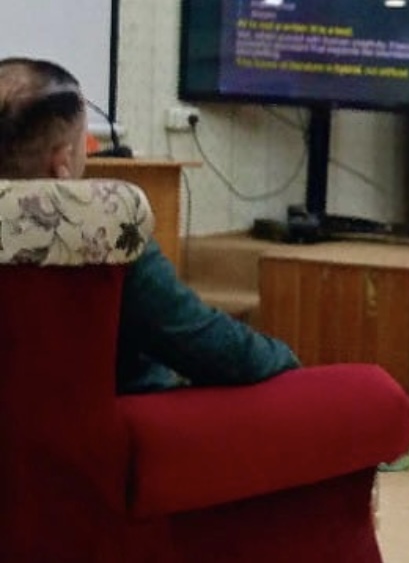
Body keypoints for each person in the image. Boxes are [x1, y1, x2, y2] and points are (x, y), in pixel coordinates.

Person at [0, 56, 299, 393]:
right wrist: (285, 359)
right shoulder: (105, 226)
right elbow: (208, 347)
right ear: (63, 162)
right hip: (107, 417)